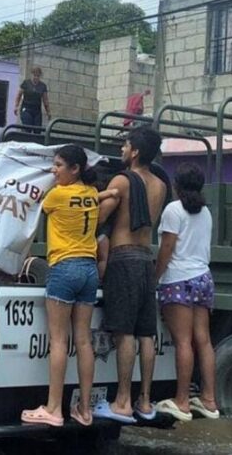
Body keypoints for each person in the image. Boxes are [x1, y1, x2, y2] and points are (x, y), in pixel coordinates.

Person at [21, 145, 117, 427]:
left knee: (59, 341)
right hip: (89, 270)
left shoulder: (56, 196)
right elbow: (91, 198)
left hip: (63, 268)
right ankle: (84, 410)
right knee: (84, 340)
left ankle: (53, 408)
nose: (54, 169)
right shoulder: (88, 193)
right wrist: (109, 193)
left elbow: (35, 202)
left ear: (74, 169)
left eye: (59, 165)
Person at [92, 126, 169, 424]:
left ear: (135, 151)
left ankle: (122, 402)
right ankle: (145, 402)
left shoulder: (122, 181)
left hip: (123, 259)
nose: (122, 150)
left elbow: (99, 218)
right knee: (145, 333)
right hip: (145, 259)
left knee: (125, 333)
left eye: (125, 145)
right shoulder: (160, 185)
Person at [154, 163, 219, 421]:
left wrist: (155, 276)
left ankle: (181, 401)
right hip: (203, 278)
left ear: (175, 185)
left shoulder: (173, 209)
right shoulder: (205, 212)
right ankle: (209, 400)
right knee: (203, 340)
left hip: (178, 279)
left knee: (182, 341)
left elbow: (167, 247)